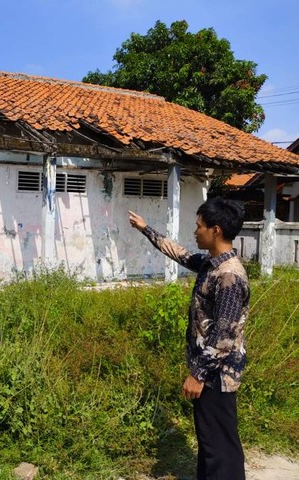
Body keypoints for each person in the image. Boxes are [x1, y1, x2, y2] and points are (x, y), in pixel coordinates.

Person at [128, 197, 249, 480]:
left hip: (217, 375)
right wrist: (146, 229)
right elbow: (180, 254)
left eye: (199, 226)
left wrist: (198, 375)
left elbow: (223, 337)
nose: (196, 232)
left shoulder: (229, 276)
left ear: (215, 230)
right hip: (210, 372)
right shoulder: (212, 264)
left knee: (219, 445)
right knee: (211, 441)